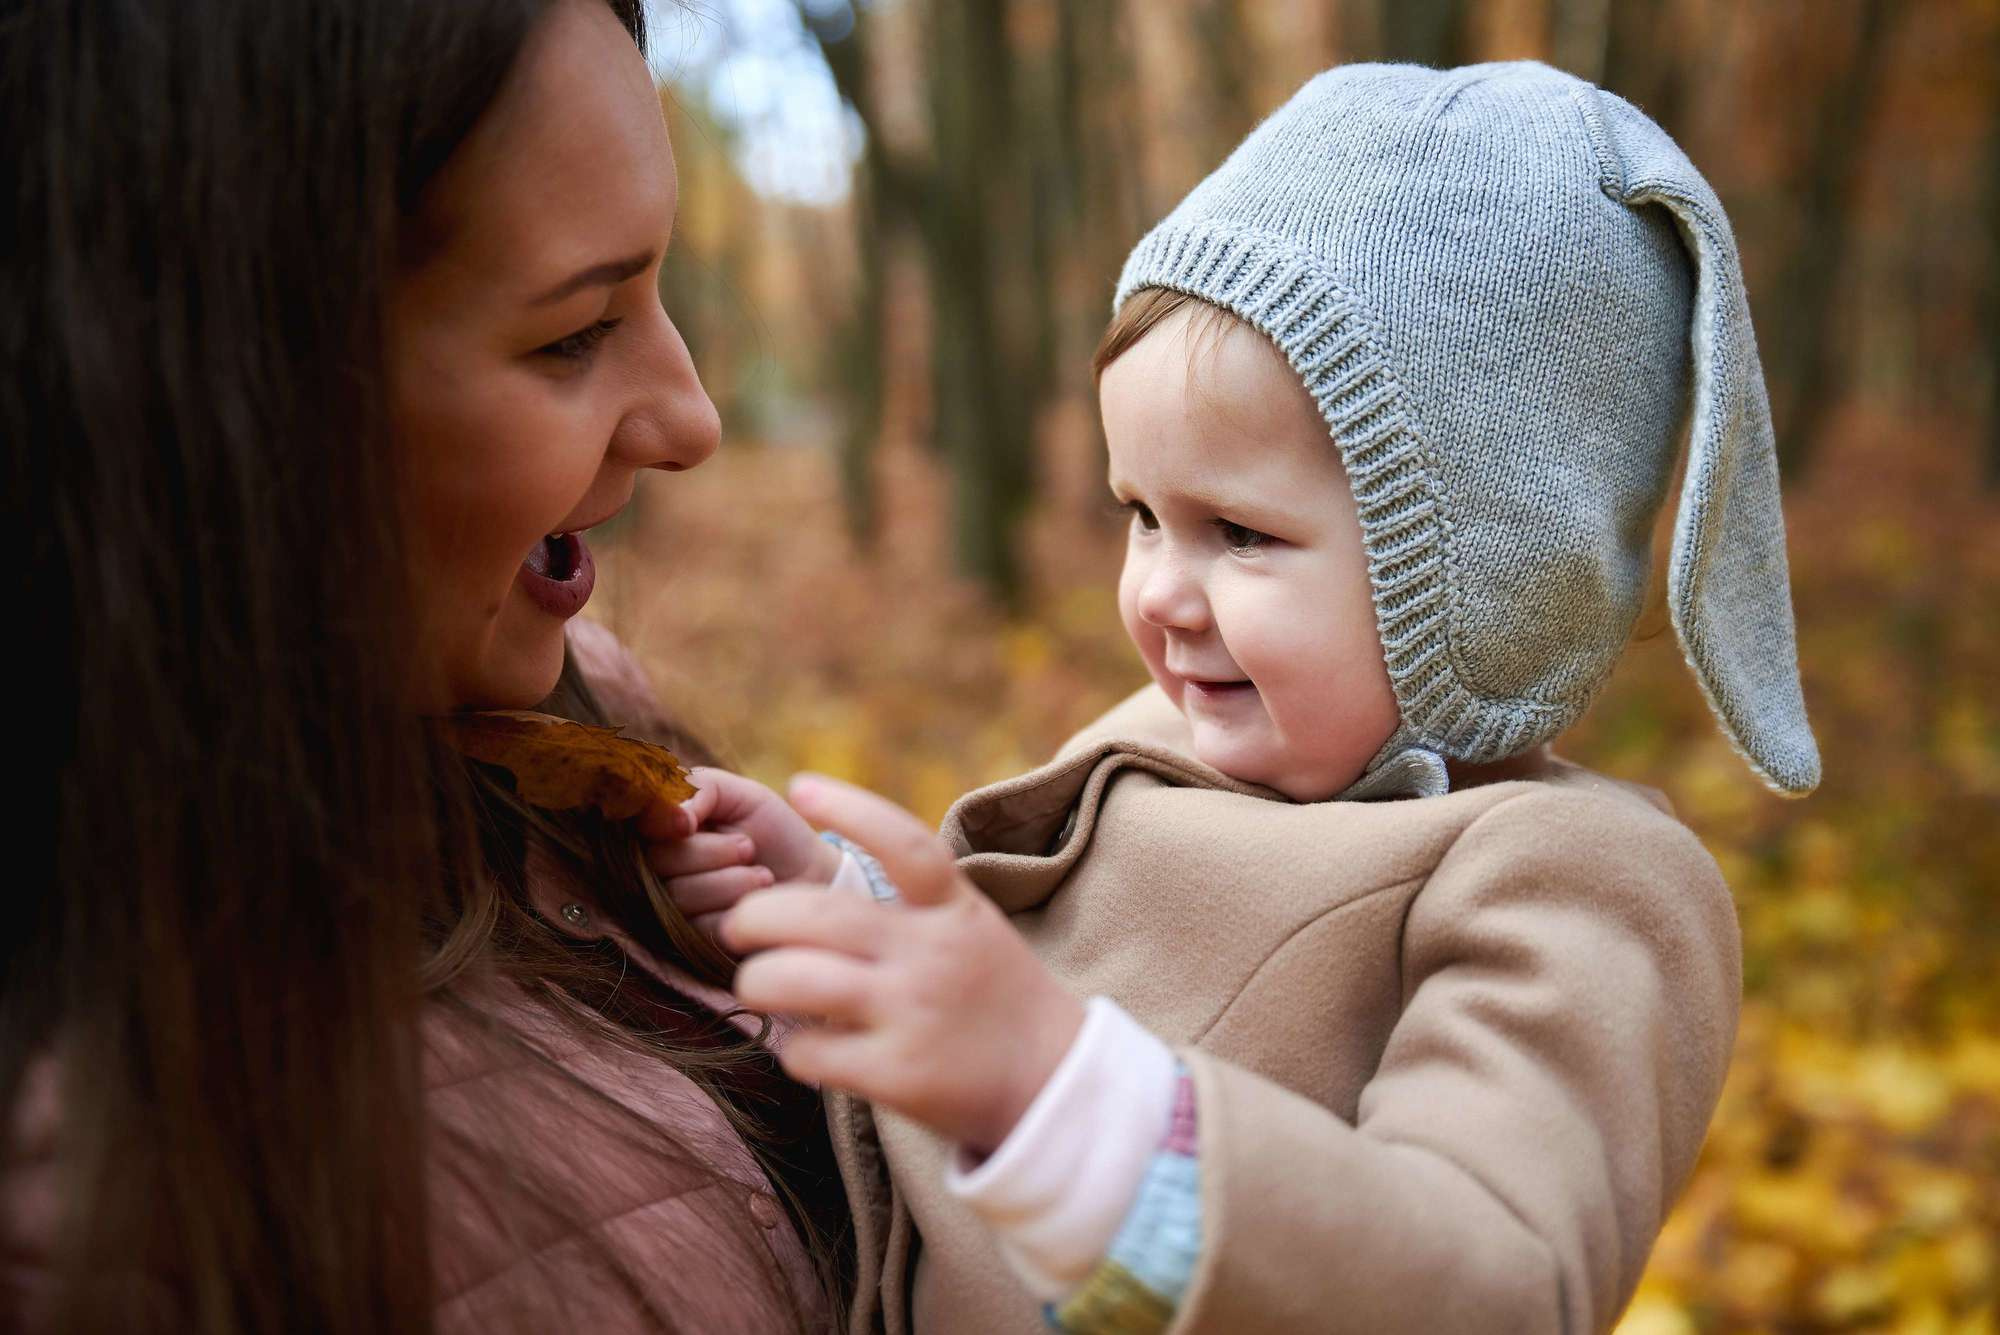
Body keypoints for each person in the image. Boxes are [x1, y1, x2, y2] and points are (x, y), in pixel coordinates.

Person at [681, 61, 1820, 1334]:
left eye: (1236, 532)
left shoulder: (1569, 880)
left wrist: (1051, 1094)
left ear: (1484, 573)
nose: (1161, 593)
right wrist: (848, 920)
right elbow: (1044, 978)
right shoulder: (1161, 737)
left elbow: (1495, 1282)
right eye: (1140, 517)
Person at [5, 1, 877, 1330]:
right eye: (572, 333)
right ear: (216, 400)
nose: (692, 419)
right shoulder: (115, 1194)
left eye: (659, 290)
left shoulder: (582, 745)